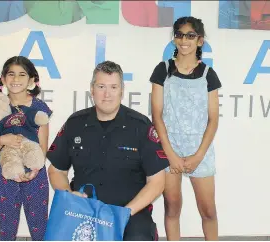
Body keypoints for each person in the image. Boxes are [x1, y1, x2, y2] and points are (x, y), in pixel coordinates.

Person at [47, 60, 169, 240]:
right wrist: (69, 196)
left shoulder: (140, 126)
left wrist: (126, 212)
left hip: (129, 213)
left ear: (122, 90)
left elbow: (157, 181)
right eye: (101, 86)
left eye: (113, 87)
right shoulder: (75, 123)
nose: (107, 94)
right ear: (92, 89)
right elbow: (56, 170)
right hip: (84, 211)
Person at [150, 17, 222, 241]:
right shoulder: (162, 70)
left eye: (190, 35)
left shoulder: (208, 74)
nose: (184, 40)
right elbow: (157, 116)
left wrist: (199, 155)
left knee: (208, 210)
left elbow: (213, 119)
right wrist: (170, 154)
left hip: (200, 153)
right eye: (180, 35)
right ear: (174, 39)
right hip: (168, 151)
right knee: (172, 207)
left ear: (199, 41)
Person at [0, 56, 52, 240]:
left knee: (40, 230)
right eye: (11, 74)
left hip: (36, 176)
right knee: (6, 230)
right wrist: (2, 139)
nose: (16, 79)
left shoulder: (39, 107)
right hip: (7, 174)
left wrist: (35, 170)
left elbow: (43, 145)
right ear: (3, 79)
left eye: (22, 74)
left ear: (31, 80)